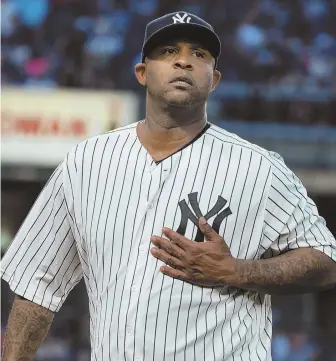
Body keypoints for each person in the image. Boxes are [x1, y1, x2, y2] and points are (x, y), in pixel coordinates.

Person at [1, 11, 336, 361]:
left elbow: (326, 262)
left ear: (215, 79)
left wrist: (236, 270)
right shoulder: (86, 162)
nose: (184, 61)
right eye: (168, 51)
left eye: (200, 54)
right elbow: (36, 289)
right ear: (142, 73)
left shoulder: (260, 168)